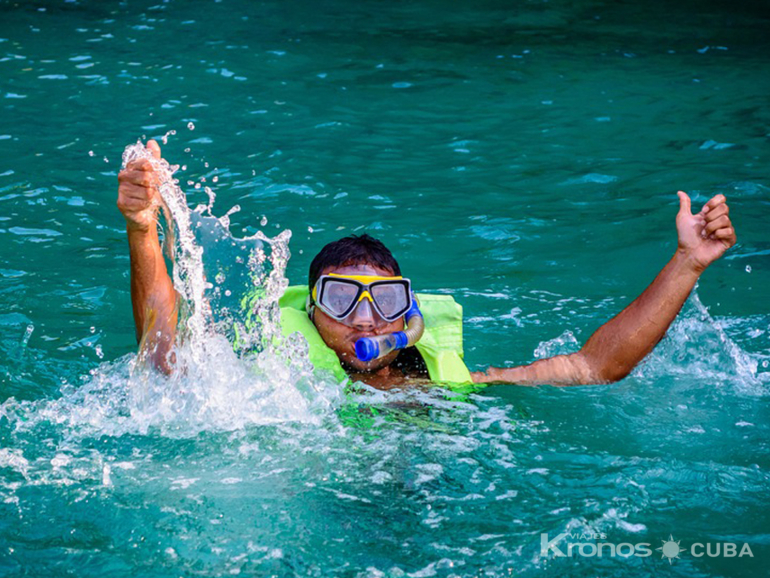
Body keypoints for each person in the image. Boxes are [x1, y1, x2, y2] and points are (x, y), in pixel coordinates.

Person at [117, 140, 737, 387]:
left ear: (408, 312)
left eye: (383, 301)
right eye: (341, 301)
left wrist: (687, 263)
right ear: (310, 311)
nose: (365, 322)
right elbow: (162, 355)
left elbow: (596, 365)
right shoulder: (269, 388)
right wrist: (143, 230)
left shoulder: (450, 383)